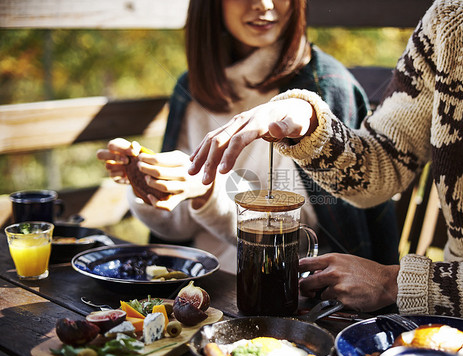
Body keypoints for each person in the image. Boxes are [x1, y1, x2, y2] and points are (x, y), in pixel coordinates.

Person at [188, 0, 463, 332]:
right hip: (455, 329)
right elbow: (379, 168)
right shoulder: (449, 22)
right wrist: (308, 122)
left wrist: (400, 283)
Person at [97, 0, 399, 274]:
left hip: (287, 287)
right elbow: (175, 230)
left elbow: (304, 238)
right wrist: (149, 181)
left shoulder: (321, 89)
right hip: (196, 280)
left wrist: (206, 191)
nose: (264, 4)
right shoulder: (192, 89)